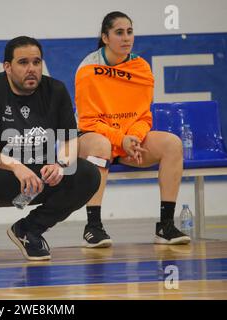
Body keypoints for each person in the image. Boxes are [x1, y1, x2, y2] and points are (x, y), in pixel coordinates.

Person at [0, 36, 100, 264]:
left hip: (37, 182)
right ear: (7, 67)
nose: (31, 69)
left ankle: (29, 230)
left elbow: (69, 140)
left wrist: (60, 165)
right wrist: (15, 166)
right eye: (23, 62)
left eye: (36, 62)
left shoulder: (55, 90)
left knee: (87, 173)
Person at [75, 11, 191, 248]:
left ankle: (165, 226)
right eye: (119, 32)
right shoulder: (88, 69)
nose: (126, 38)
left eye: (129, 31)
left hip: (129, 140)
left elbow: (143, 116)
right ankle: (93, 226)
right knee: (101, 145)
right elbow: (89, 122)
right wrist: (122, 139)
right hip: (93, 139)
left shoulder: (141, 67)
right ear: (105, 38)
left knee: (172, 143)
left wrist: (134, 138)